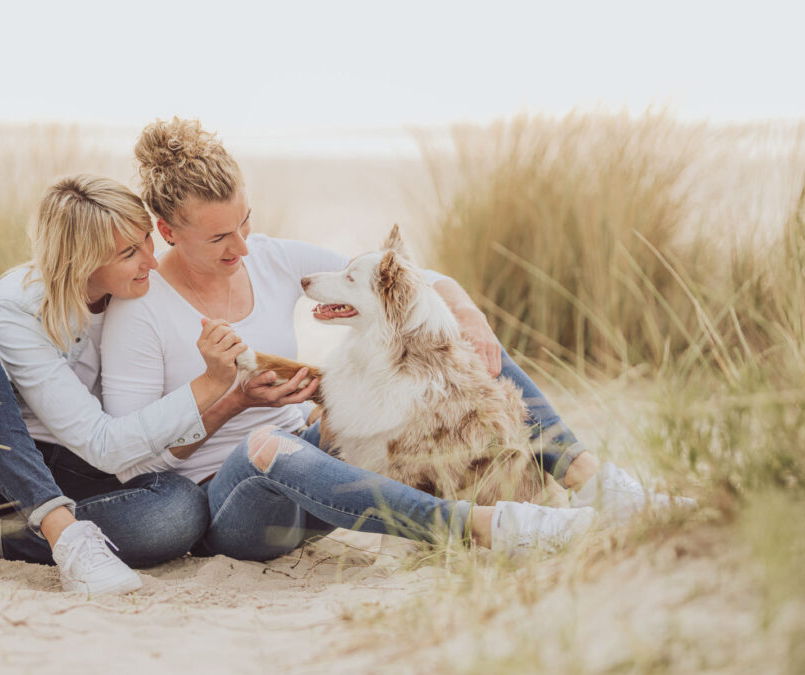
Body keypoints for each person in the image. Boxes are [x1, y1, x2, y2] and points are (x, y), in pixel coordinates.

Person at [100, 118, 686, 561]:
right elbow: (135, 461)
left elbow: (409, 283)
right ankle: (488, 528)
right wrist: (228, 398)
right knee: (267, 448)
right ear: (168, 231)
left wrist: (469, 313)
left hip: (319, 454)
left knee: (464, 340)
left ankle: (596, 483)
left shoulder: (272, 260)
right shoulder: (140, 313)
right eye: (221, 238)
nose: (243, 247)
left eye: (246, 222)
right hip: (231, 500)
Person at [0, 175, 309, 597]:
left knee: (179, 508)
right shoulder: (17, 308)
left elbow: (124, 450)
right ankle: (67, 538)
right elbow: (105, 446)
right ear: (82, 261)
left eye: (146, 241)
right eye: (129, 252)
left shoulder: (132, 296)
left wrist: (247, 399)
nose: (152, 261)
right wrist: (210, 384)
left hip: (70, 471)